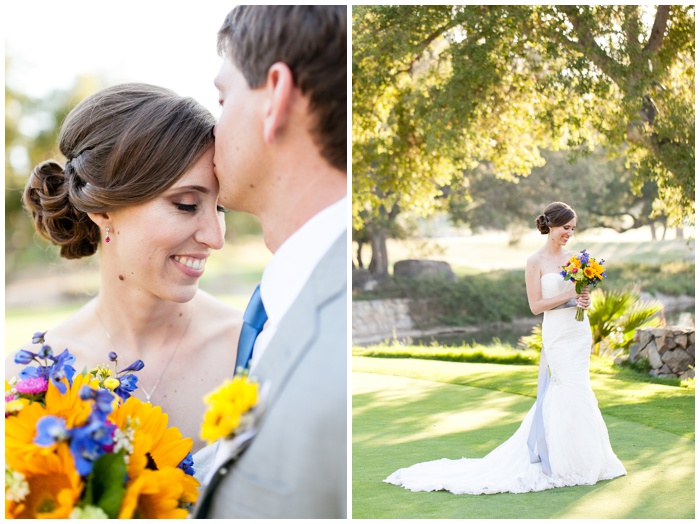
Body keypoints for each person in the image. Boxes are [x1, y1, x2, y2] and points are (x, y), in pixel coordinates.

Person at [7, 83, 243, 455]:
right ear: (101, 209)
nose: (216, 238)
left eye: (221, 207)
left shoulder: (250, 351)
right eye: (185, 204)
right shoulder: (34, 377)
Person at [193, 5, 347, 519]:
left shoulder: (337, 333)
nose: (211, 129)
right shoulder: (287, 298)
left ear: (275, 97)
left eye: (222, 98)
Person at [384, 202, 626, 494]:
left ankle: (585, 459)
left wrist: (582, 300)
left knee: (579, 387)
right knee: (565, 386)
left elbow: (579, 297)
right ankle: (554, 459)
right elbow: (536, 306)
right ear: (550, 226)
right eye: (565, 228)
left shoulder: (578, 259)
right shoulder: (535, 261)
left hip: (577, 331)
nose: (569, 233)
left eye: (573, 229)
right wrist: (569, 295)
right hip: (557, 333)